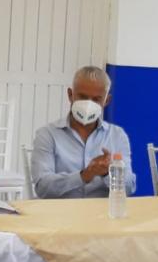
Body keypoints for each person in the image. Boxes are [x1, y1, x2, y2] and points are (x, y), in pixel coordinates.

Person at [31, 66, 137, 199]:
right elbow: (43, 187)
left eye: (96, 99)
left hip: (102, 211)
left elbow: (129, 187)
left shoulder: (117, 136)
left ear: (106, 101)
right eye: (82, 97)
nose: (88, 105)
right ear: (70, 95)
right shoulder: (48, 135)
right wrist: (84, 175)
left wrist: (108, 173)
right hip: (61, 210)